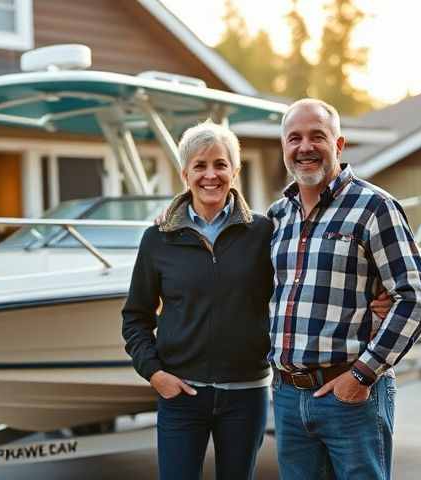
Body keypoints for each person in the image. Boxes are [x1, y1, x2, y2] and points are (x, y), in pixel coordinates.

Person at [268, 99, 421, 480]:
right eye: (294, 138)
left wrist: (362, 375)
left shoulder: (375, 207)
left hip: (352, 395)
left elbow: (416, 298)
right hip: (289, 398)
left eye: (317, 137)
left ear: (339, 145)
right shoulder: (278, 216)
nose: (304, 147)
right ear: (283, 147)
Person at [122, 121, 274, 480]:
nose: (211, 175)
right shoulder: (158, 239)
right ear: (184, 173)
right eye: (200, 166)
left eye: (220, 165)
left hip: (246, 395)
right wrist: (155, 374)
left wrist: (371, 296)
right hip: (180, 396)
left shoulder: (263, 233)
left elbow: (302, 284)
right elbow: (136, 317)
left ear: (235, 172)